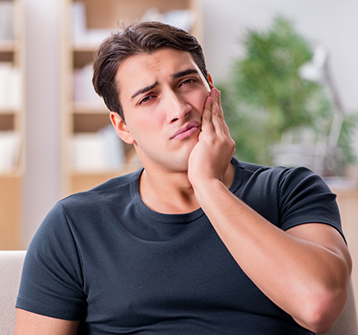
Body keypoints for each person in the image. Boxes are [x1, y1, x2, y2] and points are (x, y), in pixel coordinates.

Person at [14, 21, 352, 335]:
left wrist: (208, 186)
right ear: (122, 126)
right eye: (148, 98)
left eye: (187, 82)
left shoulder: (290, 190)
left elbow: (318, 305)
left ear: (211, 90)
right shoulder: (75, 225)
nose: (178, 109)